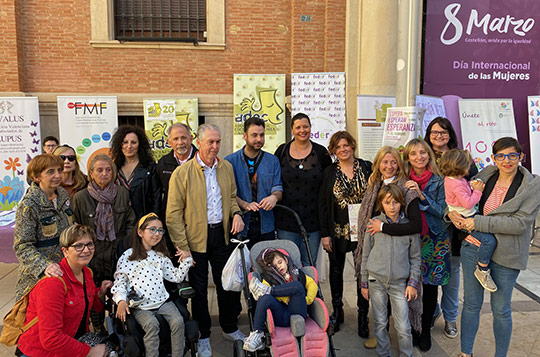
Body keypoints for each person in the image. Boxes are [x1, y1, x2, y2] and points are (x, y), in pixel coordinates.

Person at [449, 137, 540, 357]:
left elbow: (520, 223)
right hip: (473, 248)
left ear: (521, 156)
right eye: (501, 156)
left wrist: (477, 222)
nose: (506, 160)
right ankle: (466, 353)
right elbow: (460, 198)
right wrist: (450, 213)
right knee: (471, 305)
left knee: (501, 310)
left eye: (512, 155)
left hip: (507, 254)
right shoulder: (486, 174)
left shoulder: (531, 185)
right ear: (494, 158)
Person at [166, 123, 246, 357]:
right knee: (199, 290)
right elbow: (173, 215)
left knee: (227, 284)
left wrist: (237, 214)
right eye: (210, 142)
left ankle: (229, 327)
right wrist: (184, 248)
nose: (215, 146)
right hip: (195, 240)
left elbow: (231, 198)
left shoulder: (226, 168)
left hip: (221, 236)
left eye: (218, 141)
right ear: (197, 142)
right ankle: (203, 336)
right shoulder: (182, 173)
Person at [353, 146, 422, 345]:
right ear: (378, 164)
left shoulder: (406, 188)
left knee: (401, 316)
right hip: (377, 256)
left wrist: (383, 227)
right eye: (385, 162)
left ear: (399, 165)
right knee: (380, 311)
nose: (389, 166)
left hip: (400, 253)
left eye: (393, 162)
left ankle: (403, 339)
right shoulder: (374, 184)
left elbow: (415, 225)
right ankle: (382, 339)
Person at [18, 224, 112, 357]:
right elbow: (51, 339)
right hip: (43, 352)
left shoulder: (87, 273)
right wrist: (88, 352)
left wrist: (100, 293)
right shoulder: (53, 284)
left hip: (72, 342)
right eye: (78, 246)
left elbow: (86, 302)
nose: (86, 250)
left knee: (114, 346)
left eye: (89, 244)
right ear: (65, 251)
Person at [112, 213, 193, 357]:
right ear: (140, 232)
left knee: (178, 322)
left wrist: (186, 260)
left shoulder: (161, 255)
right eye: (152, 229)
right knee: (152, 325)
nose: (157, 234)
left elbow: (176, 277)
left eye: (160, 230)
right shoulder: (128, 256)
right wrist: (121, 300)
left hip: (162, 302)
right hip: (141, 306)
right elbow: (120, 281)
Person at [425, 117, 478, 338]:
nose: (439, 136)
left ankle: (450, 318)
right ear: (428, 133)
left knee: (452, 277)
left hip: (456, 231)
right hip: (430, 227)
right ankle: (431, 311)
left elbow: (475, 180)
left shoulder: (460, 156)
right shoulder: (422, 156)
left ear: (450, 134)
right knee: (427, 276)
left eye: (443, 132)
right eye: (435, 132)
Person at [72, 154, 136, 331]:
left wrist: (125, 246)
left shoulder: (122, 193)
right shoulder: (80, 198)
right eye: (99, 170)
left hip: (117, 253)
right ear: (91, 174)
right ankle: (98, 329)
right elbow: (74, 228)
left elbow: (131, 222)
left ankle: (118, 329)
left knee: (119, 293)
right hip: (92, 256)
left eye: (108, 170)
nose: (104, 174)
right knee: (94, 295)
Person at [319, 131, 372, 333]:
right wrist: (325, 234)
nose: (342, 150)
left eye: (345, 145)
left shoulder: (367, 168)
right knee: (335, 270)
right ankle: (338, 311)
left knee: (362, 272)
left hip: (362, 231)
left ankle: (362, 316)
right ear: (333, 150)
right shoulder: (329, 173)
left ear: (352, 145)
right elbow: (323, 205)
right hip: (338, 230)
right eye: (338, 147)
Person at [360, 184, 421, 357]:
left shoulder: (409, 228)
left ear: (401, 203)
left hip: (399, 283)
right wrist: (364, 283)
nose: (392, 207)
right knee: (379, 321)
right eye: (387, 203)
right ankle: (383, 353)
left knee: (403, 325)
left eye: (396, 202)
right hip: (376, 281)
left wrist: (413, 283)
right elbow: (365, 255)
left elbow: (416, 258)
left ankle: (406, 354)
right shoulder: (373, 225)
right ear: (381, 204)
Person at [403, 138, 450, 352]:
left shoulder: (440, 180)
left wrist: (422, 196)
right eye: (414, 154)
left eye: (423, 153)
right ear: (408, 158)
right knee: (411, 285)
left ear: (429, 155)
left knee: (430, 288)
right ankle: (414, 327)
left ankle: (426, 330)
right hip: (411, 239)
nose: (419, 157)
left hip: (435, 238)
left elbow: (444, 212)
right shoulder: (402, 180)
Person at [13, 154, 74, 300]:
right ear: (36, 177)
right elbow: (22, 246)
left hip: (66, 268)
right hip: (40, 278)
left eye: (59, 170)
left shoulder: (63, 195)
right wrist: (44, 266)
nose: (58, 175)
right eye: (50, 172)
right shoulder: (29, 205)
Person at [274, 113, 332, 267]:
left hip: (313, 221)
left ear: (310, 128)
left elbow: (328, 187)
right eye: (298, 127)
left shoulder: (321, 153)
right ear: (292, 130)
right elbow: (273, 180)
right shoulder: (282, 151)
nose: (302, 130)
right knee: (288, 264)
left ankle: (310, 292)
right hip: (286, 220)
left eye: (305, 126)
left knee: (309, 264)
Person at [440, 149, 498, 292]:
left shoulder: (453, 179)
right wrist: (478, 191)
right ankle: (482, 268)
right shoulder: (457, 184)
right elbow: (467, 203)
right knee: (489, 240)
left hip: (467, 215)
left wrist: (471, 186)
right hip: (466, 218)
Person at [244, 248, 318, 352]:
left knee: (297, 286)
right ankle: (257, 333)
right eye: (275, 266)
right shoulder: (269, 278)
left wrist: (307, 300)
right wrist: (282, 297)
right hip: (281, 315)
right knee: (264, 298)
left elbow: (312, 285)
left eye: (280, 262)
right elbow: (260, 295)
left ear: (286, 260)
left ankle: (269, 290)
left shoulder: (297, 274)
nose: (279, 267)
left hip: (298, 314)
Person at [225, 117, 282, 249]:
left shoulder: (273, 161)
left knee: (266, 266)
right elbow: (227, 193)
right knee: (241, 268)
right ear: (244, 136)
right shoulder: (229, 162)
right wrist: (244, 204)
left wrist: (274, 197)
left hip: (266, 225)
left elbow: (278, 188)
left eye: (262, 135)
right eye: (254, 135)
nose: (259, 139)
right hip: (240, 224)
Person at [111, 125, 161, 219]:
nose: (129, 146)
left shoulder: (150, 168)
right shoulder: (114, 168)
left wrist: (154, 219)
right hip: (120, 221)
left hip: (143, 220)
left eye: (133, 142)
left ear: (140, 145)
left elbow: (156, 198)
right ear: (119, 144)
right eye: (125, 142)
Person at [156, 123, 198, 218]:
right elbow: (157, 194)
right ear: (169, 142)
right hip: (172, 218)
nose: (180, 142)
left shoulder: (202, 161)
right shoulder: (163, 163)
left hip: (197, 217)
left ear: (191, 139)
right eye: (175, 139)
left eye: (183, 138)